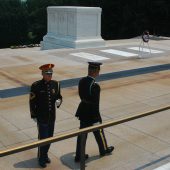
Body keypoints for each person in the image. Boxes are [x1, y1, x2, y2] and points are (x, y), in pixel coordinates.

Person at [75, 62, 114, 162]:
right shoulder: (95, 86)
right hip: (92, 114)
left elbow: (81, 96)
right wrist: (97, 118)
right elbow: (95, 104)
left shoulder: (82, 81)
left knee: (82, 134)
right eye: (98, 71)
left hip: (83, 111)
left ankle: (79, 155)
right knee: (99, 131)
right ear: (95, 71)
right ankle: (104, 150)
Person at [29, 64, 62, 168]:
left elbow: (59, 97)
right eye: (48, 73)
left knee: (50, 138)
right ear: (42, 74)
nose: (50, 75)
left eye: (51, 73)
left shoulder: (56, 84)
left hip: (51, 117)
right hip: (41, 117)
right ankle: (41, 158)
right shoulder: (36, 85)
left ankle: (45, 154)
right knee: (43, 138)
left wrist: (59, 101)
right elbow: (32, 102)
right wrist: (33, 115)